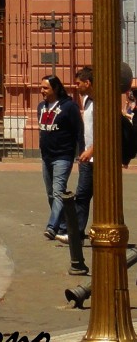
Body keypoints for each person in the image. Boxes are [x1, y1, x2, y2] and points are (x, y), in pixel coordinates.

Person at [38, 74, 82, 241]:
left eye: (45, 88)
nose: (42, 91)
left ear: (55, 88)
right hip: (46, 157)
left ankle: (52, 226)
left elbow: (78, 130)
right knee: (51, 194)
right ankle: (63, 226)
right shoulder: (41, 107)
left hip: (63, 156)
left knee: (58, 192)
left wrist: (80, 152)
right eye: (41, 87)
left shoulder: (69, 107)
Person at [73, 67, 94, 234]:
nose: (76, 86)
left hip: (96, 157)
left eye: (79, 83)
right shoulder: (86, 100)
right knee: (82, 195)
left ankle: (76, 232)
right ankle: (76, 231)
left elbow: (107, 131)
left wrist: (91, 151)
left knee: (84, 195)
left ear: (87, 83)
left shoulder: (101, 102)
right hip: (87, 157)